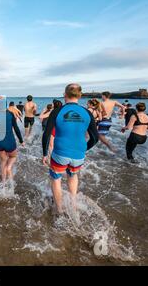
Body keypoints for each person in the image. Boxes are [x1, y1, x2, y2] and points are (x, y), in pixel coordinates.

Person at [42, 84, 98, 214]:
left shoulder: (57, 111)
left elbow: (46, 134)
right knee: (73, 176)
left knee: (56, 179)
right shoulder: (87, 113)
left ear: (64, 94)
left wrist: (45, 154)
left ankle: (59, 210)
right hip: (78, 155)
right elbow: (95, 138)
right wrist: (84, 149)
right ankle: (73, 205)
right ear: (80, 95)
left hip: (60, 153)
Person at [0, 98, 24, 182]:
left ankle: (3, 182)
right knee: (13, 156)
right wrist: (21, 140)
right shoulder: (11, 114)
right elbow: (16, 129)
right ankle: (9, 169)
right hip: (9, 142)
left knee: (3, 161)